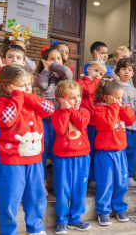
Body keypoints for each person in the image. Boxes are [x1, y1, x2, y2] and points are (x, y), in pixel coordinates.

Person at [0, 64, 54, 235]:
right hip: (12, 162)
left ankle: (35, 228)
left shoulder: (33, 100)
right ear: (7, 86)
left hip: (35, 160)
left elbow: (50, 109)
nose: (27, 89)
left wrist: (28, 96)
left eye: (29, 85)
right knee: (10, 200)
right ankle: (8, 231)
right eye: (22, 85)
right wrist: (18, 97)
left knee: (36, 198)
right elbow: (6, 120)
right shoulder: (2, 102)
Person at [0, 44, 29, 205]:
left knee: (20, 156)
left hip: (21, 125)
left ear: (24, 62)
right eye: (10, 57)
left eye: (18, 57)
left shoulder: (27, 80)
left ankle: (20, 189)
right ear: (3, 60)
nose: (14, 59)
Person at [94, 76, 135, 226]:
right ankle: (103, 211)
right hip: (105, 153)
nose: (119, 101)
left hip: (120, 152)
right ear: (106, 97)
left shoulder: (119, 107)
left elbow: (130, 120)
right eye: (116, 98)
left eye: (121, 98)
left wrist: (121, 106)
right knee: (105, 183)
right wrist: (114, 107)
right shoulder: (100, 109)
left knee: (122, 182)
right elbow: (108, 124)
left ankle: (120, 208)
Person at [51, 81, 91, 234]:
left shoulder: (84, 112)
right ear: (62, 99)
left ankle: (75, 218)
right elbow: (61, 129)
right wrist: (66, 110)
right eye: (72, 98)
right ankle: (61, 220)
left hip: (82, 157)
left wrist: (72, 110)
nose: (77, 100)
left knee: (79, 189)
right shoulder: (57, 114)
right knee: (62, 190)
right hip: (63, 158)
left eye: (79, 96)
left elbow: (81, 125)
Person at [36, 46, 73, 196]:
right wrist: (46, 69)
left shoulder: (65, 77)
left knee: (59, 152)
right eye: (52, 58)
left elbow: (68, 72)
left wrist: (52, 64)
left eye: (58, 58)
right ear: (45, 60)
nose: (55, 61)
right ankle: (41, 184)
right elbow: (42, 85)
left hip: (60, 119)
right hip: (44, 119)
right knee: (42, 152)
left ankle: (60, 185)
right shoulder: (43, 76)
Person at [77, 61, 107, 189]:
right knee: (84, 150)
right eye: (96, 71)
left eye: (101, 73)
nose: (97, 75)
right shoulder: (80, 83)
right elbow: (88, 90)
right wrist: (97, 81)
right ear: (88, 69)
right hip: (83, 122)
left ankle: (92, 177)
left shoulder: (99, 86)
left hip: (95, 122)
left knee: (94, 150)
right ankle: (82, 176)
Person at [115, 58, 136, 187]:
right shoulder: (115, 86)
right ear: (118, 71)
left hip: (133, 125)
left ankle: (129, 176)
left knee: (132, 151)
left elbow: (134, 106)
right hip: (120, 125)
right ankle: (120, 175)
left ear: (133, 73)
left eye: (130, 70)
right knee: (121, 151)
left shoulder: (134, 90)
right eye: (123, 69)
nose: (126, 72)